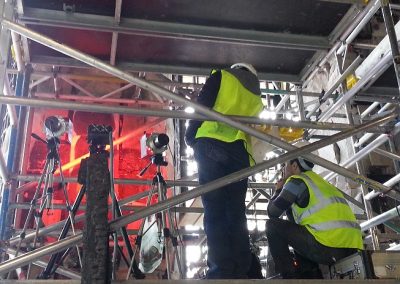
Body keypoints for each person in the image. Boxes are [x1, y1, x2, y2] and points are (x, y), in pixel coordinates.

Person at [184, 63, 264, 279]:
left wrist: (190, 134)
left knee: (215, 212)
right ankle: (241, 269)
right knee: (236, 213)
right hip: (238, 152)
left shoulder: (223, 76)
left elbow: (204, 103)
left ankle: (221, 272)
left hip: (211, 144)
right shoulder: (256, 93)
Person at [266, 158, 363, 279]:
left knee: (272, 225)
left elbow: (272, 212)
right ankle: (311, 277)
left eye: (285, 165)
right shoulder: (320, 182)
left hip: (328, 246)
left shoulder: (296, 181)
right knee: (299, 229)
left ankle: (289, 278)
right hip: (352, 249)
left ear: (295, 166)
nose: (282, 169)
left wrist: (278, 190)